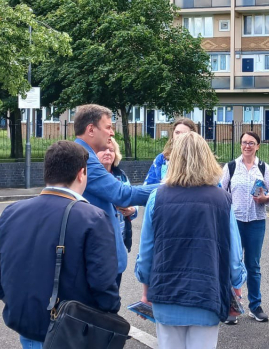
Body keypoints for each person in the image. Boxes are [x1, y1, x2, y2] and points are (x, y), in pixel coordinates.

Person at [0, 141, 120, 348]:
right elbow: (103, 283)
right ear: (81, 173)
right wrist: (109, 312)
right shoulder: (93, 218)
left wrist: (14, 299)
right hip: (72, 331)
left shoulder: (12, 211)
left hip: (26, 325)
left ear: (47, 172)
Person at [135, 131, 246, 349]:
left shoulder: (157, 197)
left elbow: (147, 251)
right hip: (208, 293)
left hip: (166, 293)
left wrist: (146, 290)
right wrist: (237, 287)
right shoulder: (221, 198)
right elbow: (233, 251)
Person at [74, 104, 157, 283]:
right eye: (108, 127)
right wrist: (168, 187)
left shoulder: (83, 154)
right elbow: (122, 194)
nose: (112, 133)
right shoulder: (84, 158)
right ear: (90, 129)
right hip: (100, 261)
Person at [220, 130, 269, 323]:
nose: (247, 146)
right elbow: (220, 190)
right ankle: (232, 306)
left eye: (251, 143)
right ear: (240, 145)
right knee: (233, 263)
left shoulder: (263, 166)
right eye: (244, 142)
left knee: (253, 264)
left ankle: (255, 306)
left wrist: (266, 197)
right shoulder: (231, 167)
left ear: (258, 146)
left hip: (256, 221)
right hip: (234, 222)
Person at [96, 137, 136, 255]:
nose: (108, 153)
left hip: (120, 236)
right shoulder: (91, 176)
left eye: (111, 150)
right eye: (103, 149)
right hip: (99, 235)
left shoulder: (121, 176)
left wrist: (132, 209)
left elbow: (132, 198)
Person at [144, 117, 199, 185]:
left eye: (184, 133)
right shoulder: (162, 158)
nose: (179, 136)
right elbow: (148, 186)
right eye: (177, 133)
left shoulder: (201, 159)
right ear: (172, 134)